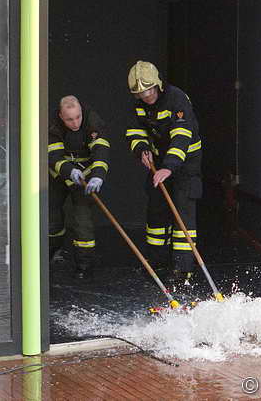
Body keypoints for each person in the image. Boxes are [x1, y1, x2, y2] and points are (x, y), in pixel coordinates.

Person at [125, 61, 202, 281]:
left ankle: (183, 268)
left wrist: (168, 167)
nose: (146, 96)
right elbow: (134, 131)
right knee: (156, 210)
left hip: (185, 162)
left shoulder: (177, 99)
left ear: (157, 84)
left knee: (182, 211)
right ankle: (156, 261)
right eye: (140, 93)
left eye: (149, 90)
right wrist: (142, 150)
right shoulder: (138, 104)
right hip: (158, 161)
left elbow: (182, 136)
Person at [48, 96, 110, 279]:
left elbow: (101, 150)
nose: (75, 123)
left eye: (78, 117)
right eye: (69, 119)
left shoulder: (93, 120)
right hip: (59, 175)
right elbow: (53, 156)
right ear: (61, 116)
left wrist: (98, 176)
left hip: (86, 176)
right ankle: (52, 251)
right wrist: (69, 171)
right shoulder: (52, 124)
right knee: (51, 216)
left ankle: (84, 265)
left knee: (83, 220)